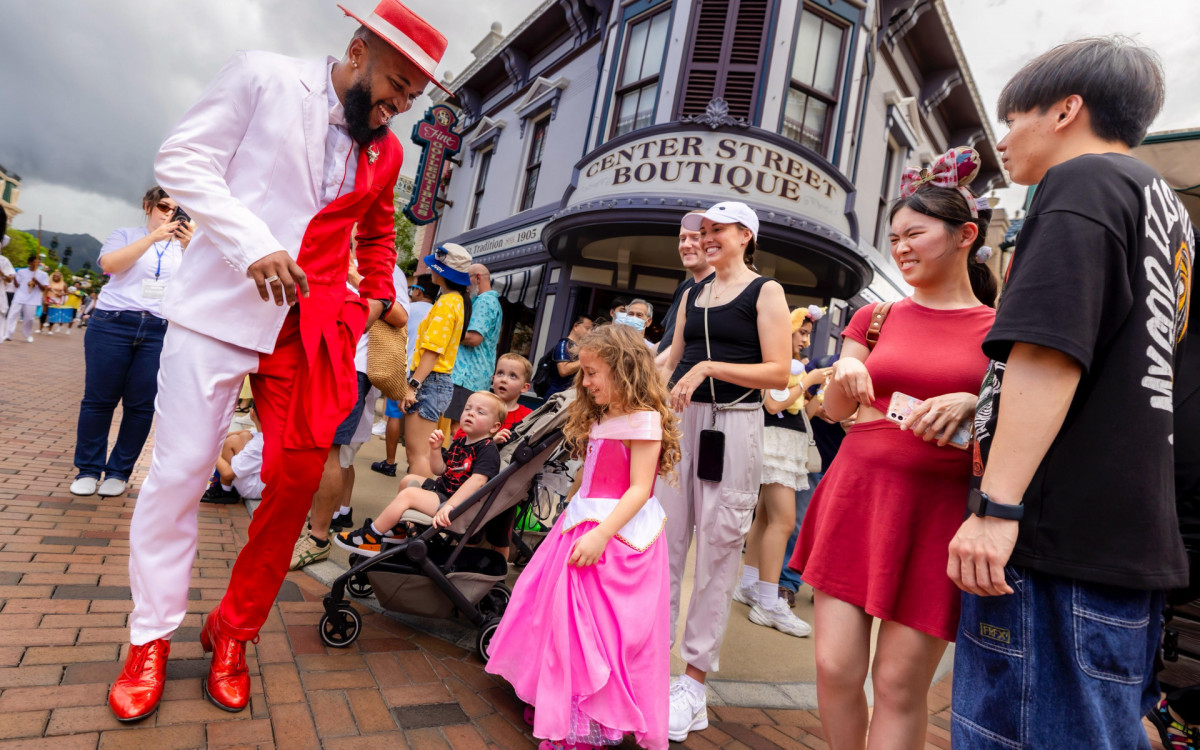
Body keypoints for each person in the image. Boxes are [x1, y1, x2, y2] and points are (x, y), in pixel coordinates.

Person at [107, 1, 450, 722]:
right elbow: (182, 159)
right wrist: (251, 241)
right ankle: (149, 639)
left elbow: (378, 235)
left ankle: (232, 633)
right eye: (394, 85)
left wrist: (377, 294)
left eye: (412, 98)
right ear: (358, 53)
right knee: (179, 472)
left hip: (313, 326)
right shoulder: (262, 77)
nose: (396, 106)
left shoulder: (386, 151)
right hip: (219, 305)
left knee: (295, 478)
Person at [947, 38, 1192, 749]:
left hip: (1059, 542)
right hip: (1126, 541)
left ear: (1066, 109)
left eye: (1012, 117)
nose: (1002, 138)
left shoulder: (1080, 181)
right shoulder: (1167, 213)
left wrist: (997, 507)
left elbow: (1051, 352)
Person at [791, 146, 997, 749]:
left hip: (936, 516)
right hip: (856, 497)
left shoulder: (1000, 331)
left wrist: (973, 401)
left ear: (965, 235)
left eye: (914, 233)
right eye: (894, 237)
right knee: (834, 667)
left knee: (900, 686)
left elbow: (1022, 419)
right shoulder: (876, 317)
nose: (900, 247)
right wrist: (844, 380)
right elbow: (833, 411)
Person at [486, 324, 682, 750]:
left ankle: (585, 723)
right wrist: (571, 508)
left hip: (615, 538)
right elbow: (590, 477)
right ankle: (559, 701)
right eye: (585, 373)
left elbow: (639, 489)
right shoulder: (603, 414)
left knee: (595, 633)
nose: (586, 381)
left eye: (593, 372)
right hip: (581, 525)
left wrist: (599, 537)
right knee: (560, 624)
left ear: (624, 369)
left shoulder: (643, 420)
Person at [658, 201, 791, 742]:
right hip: (680, 424)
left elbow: (778, 371)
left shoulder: (767, 292)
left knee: (718, 551)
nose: (707, 237)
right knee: (662, 542)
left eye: (718, 230)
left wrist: (710, 367)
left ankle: (693, 683)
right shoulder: (692, 293)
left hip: (734, 426)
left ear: (745, 235)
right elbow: (671, 359)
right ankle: (650, 664)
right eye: (703, 230)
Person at [70, 187, 191, 499]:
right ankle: (87, 468)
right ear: (147, 205)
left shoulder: (186, 244)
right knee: (99, 400)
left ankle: (119, 471)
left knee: (141, 405)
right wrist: (153, 238)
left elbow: (205, 282)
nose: (169, 213)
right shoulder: (126, 234)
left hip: (160, 328)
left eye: (177, 209)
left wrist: (191, 246)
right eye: (163, 206)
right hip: (113, 322)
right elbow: (110, 265)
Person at [291, 251, 409, 569]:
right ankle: (313, 526)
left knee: (330, 452)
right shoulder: (333, 255)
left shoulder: (382, 266)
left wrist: (357, 278)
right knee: (318, 450)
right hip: (322, 358)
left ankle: (317, 537)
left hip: (350, 367)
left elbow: (399, 316)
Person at [734, 307, 828, 637]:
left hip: (786, 443)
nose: (805, 339)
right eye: (801, 332)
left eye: (807, 334)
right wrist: (808, 381)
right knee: (784, 521)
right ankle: (767, 601)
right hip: (774, 443)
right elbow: (773, 405)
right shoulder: (774, 363)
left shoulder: (794, 370)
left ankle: (750, 586)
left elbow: (803, 413)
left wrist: (818, 390)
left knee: (766, 518)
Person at [335, 390, 506, 554]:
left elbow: (478, 481)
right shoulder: (461, 442)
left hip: (457, 504)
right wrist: (435, 450)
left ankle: (371, 537)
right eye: (468, 408)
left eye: (480, 412)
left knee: (408, 495)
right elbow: (439, 470)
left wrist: (450, 506)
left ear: (494, 427)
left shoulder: (487, 449)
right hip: (442, 491)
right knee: (408, 480)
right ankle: (399, 530)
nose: (471, 413)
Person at [778, 353, 846, 607]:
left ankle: (825, 584)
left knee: (837, 529)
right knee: (799, 522)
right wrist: (817, 408)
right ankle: (787, 582)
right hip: (816, 456)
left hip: (852, 464)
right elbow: (800, 407)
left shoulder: (885, 371)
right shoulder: (823, 364)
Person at [403, 243, 473, 478]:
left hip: (428, 382)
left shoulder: (446, 304)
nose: (431, 270)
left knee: (417, 454)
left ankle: (416, 509)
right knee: (419, 453)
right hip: (434, 382)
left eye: (435, 266)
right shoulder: (455, 301)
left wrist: (413, 385)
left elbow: (432, 351)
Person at [373, 274, 435, 476]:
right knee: (418, 421)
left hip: (402, 367)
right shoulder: (437, 312)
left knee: (393, 416)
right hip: (424, 371)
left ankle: (390, 463)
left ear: (418, 290)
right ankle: (414, 465)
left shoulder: (407, 309)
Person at [445, 263, 503, 432]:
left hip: (468, 376)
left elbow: (474, 338)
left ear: (477, 277)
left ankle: (457, 459)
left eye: (466, 279)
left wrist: (446, 331)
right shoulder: (486, 300)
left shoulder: (485, 301)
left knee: (459, 427)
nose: (465, 285)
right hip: (473, 376)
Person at [656, 212, 713, 366]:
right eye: (682, 239)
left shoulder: (718, 288)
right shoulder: (684, 287)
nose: (686, 245)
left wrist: (649, 371)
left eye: (695, 238)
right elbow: (666, 342)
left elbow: (684, 346)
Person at [203, 407, 265, 504]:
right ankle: (224, 487)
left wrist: (213, 451)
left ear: (252, 413)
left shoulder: (257, 444)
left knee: (231, 442)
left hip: (253, 489)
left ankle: (225, 489)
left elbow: (228, 473)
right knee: (244, 435)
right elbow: (248, 432)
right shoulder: (267, 434)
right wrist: (222, 436)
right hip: (263, 483)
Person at [543, 315, 593, 398]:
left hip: (571, 397)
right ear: (576, 326)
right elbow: (563, 370)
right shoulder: (563, 344)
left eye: (591, 330)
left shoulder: (581, 347)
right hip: (557, 397)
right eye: (587, 328)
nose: (590, 332)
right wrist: (586, 360)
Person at [2, 255, 49, 343]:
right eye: (34, 262)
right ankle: (8, 334)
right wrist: (15, 278)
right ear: (29, 263)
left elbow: (44, 289)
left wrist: (36, 282)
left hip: (32, 299)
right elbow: (17, 285)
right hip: (19, 297)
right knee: (12, 315)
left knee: (29, 318)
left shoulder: (43, 274)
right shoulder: (21, 271)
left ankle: (27, 335)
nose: (36, 264)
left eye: (38, 262)